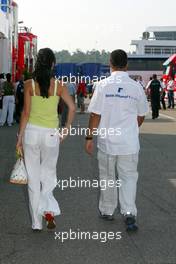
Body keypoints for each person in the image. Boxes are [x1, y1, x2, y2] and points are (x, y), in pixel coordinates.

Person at [85, 49, 149, 232]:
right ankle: (129, 213)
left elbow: (95, 114)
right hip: (129, 142)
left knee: (107, 177)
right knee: (129, 177)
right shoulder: (136, 87)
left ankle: (107, 210)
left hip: (107, 141)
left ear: (110, 63)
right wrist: (130, 129)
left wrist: (89, 136)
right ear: (126, 64)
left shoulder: (103, 85)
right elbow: (141, 115)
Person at [16, 48, 75, 232]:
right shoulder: (59, 85)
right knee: (48, 175)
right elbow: (72, 108)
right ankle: (48, 210)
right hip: (51, 135)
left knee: (33, 179)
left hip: (32, 134)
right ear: (52, 64)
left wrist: (19, 139)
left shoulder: (28, 85)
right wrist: (66, 129)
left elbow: (25, 113)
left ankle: (36, 222)